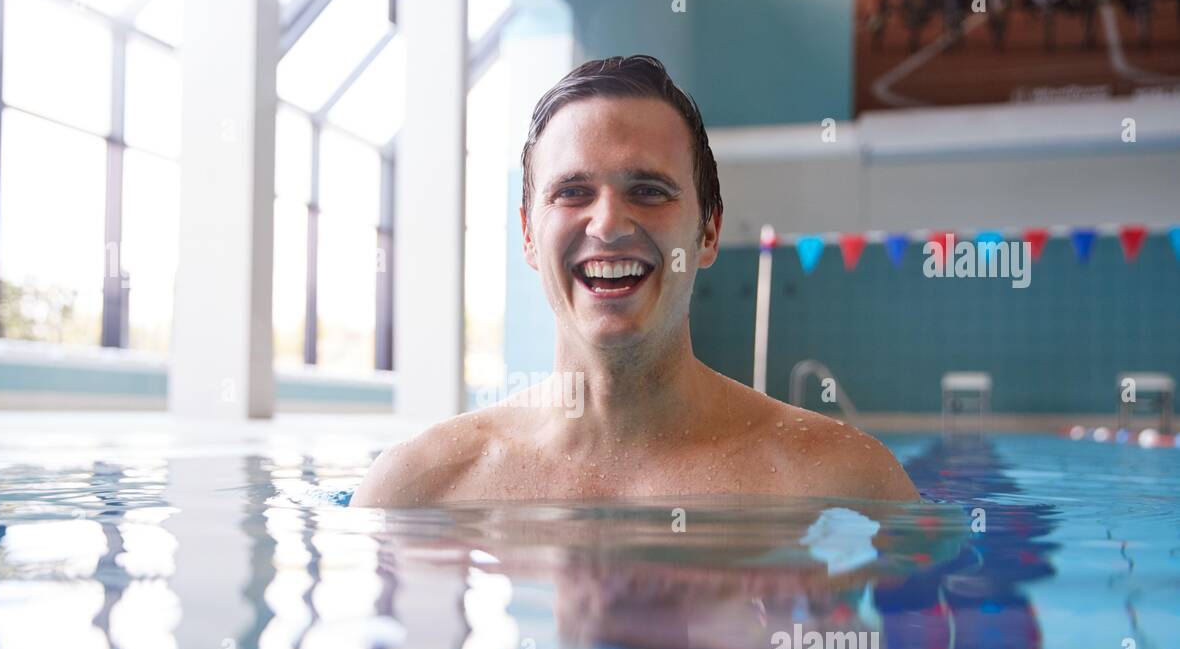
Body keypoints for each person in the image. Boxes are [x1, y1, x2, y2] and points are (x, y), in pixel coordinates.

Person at [351, 55, 918, 507]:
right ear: (527, 235)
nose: (608, 225)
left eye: (648, 190)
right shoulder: (418, 489)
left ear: (709, 233)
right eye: (572, 191)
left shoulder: (846, 482)